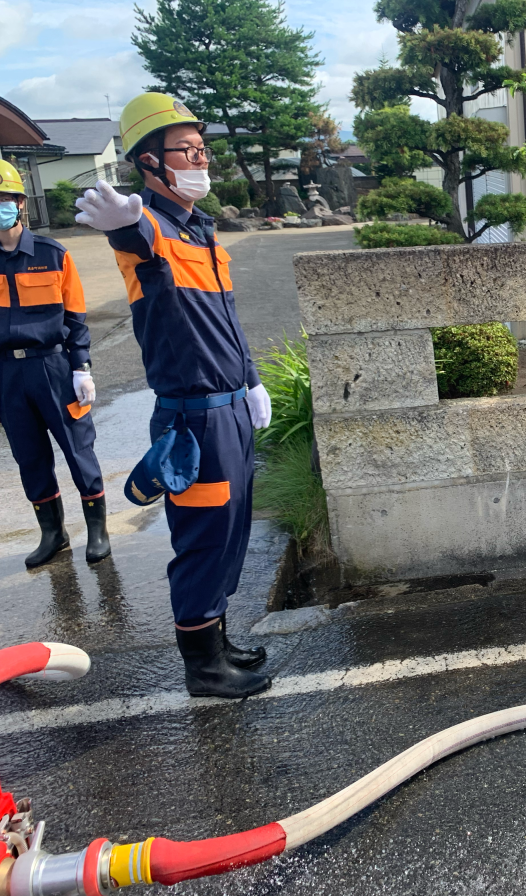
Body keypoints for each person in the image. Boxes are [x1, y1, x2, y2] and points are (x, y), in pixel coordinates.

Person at [74, 93, 273, 699]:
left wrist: (252, 379)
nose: (200, 159)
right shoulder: (151, 230)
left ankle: (218, 638)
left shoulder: (202, 231)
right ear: (149, 162)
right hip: (194, 420)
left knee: (231, 530)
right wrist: (123, 222)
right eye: (186, 150)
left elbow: (227, 322)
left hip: (232, 409)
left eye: (202, 149)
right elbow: (135, 235)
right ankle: (202, 666)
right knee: (203, 538)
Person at [0, 159, 110, 568]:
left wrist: (81, 367)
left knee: (77, 448)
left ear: (20, 203)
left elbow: (75, 317)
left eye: (3, 198)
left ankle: (97, 530)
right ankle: (53, 533)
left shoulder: (52, 254)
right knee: (29, 456)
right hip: (6, 373)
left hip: (52, 367)